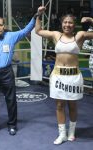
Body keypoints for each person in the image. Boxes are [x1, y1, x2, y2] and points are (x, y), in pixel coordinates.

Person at [35, 6, 93, 144]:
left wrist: (91, 20)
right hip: (58, 76)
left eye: (70, 22)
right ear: (62, 24)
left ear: (74, 24)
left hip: (73, 77)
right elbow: (38, 31)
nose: (67, 25)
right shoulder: (56, 35)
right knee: (60, 105)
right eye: (65, 22)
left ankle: (72, 131)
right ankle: (62, 134)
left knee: (72, 105)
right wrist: (38, 15)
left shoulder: (79, 36)